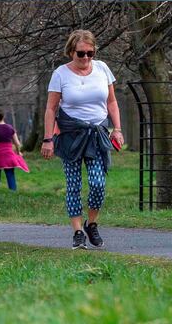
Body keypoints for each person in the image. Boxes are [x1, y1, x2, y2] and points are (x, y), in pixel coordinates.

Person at [41, 29, 124, 250]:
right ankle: (78, 232)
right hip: (71, 136)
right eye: (81, 53)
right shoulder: (60, 74)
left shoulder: (103, 69)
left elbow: (112, 103)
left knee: (98, 184)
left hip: (97, 135)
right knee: (74, 185)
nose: (86, 57)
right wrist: (48, 139)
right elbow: (51, 109)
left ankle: (91, 224)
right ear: (71, 52)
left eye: (90, 52)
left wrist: (117, 129)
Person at [0, 108, 29, 190]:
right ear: (4, 116)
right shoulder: (10, 128)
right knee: (10, 174)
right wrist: (18, 152)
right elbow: (17, 143)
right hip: (9, 155)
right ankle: (13, 192)